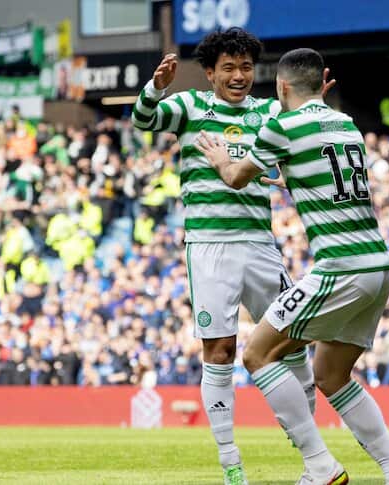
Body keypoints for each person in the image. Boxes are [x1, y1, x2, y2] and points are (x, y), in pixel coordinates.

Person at [194, 48, 389, 485]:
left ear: (281, 87)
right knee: (331, 376)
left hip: (340, 268)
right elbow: (325, 171)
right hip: (379, 266)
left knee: (258, 353)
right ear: (322, 84)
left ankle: (320, 466)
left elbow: (236, 177)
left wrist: (221, 155)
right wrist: (292, 176)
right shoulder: (348, 124)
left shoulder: (283, 125)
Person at [130, 28, 333, 485]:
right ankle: (230, 461)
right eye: (229, 68)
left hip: (261, 245)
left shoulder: (267, 111)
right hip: (209, 248)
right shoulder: (189, 107)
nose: (239, 76)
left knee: (293, 338)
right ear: (209, 73)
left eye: (245, 67)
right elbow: (143, 121)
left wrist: (316, 102)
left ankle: (307, 442)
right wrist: (155, 88)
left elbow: (303, 124)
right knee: (219, 352)